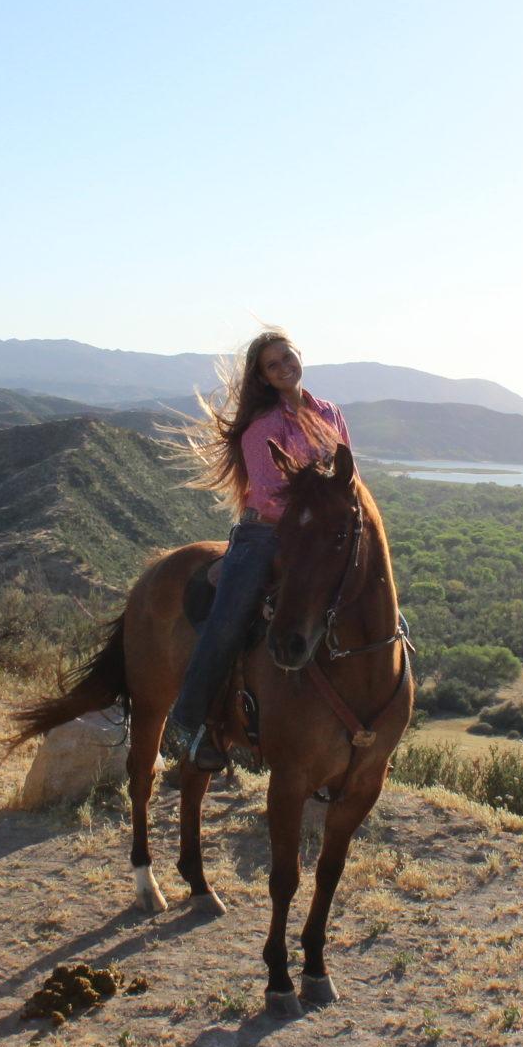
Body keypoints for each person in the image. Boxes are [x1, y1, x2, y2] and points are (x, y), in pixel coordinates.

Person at [167, 328, 351, 772]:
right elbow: (269, 495)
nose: (284, 367)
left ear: (299, 356)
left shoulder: (330, 413)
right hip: (265, 533)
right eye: (273, 365)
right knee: (228, 622)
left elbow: (348, 475)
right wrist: (315, 503)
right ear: (264, 377)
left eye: (287, 357)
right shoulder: (262, 427)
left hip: (320, 532)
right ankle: (184, 725)